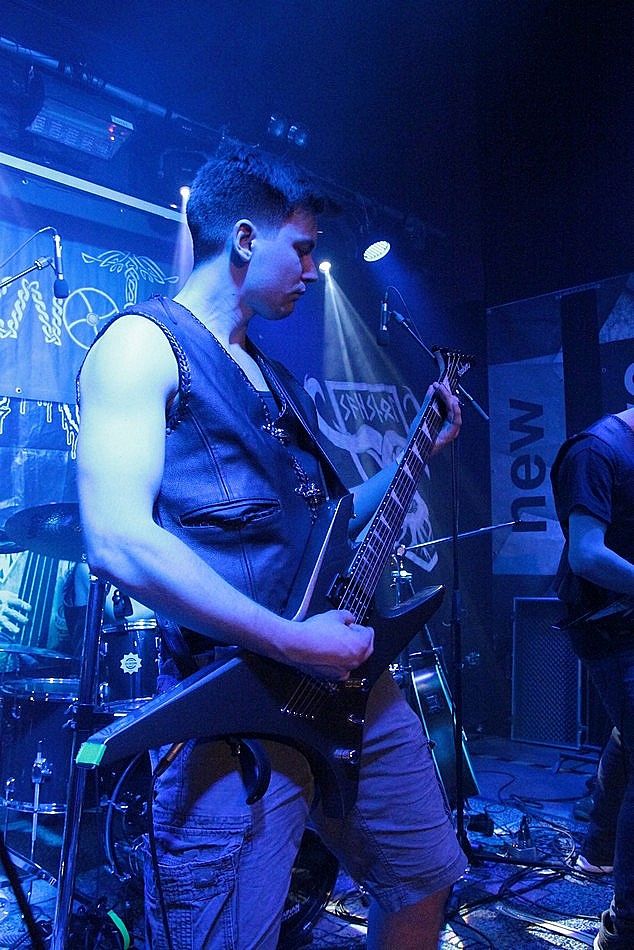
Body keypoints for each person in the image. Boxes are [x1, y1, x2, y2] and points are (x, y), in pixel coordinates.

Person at [76, 149, 467, 949]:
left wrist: (417, 450)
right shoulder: (142, 345)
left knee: (423, 874)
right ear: (246, 239)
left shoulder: (274, 377)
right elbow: (117, 540)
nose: (314, 271)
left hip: (349, 684)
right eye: (304, 249)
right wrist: (292, 641)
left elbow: (327, 527)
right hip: (235, 704)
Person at [551, 407, 634, 950]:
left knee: (629, 736)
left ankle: (600, 850)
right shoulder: (596, 451)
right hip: (610, 626)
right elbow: (586, 554)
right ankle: (626, 928)